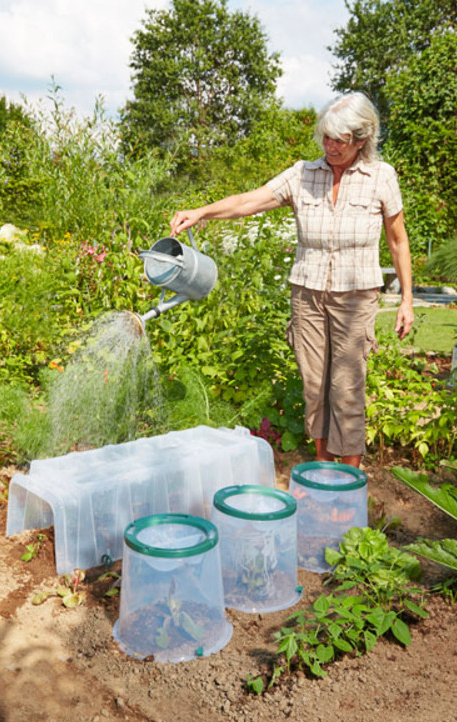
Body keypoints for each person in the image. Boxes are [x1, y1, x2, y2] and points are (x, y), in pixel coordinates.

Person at [169, 91, 414, 469]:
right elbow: (247, 201)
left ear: (362, 139)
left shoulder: (382, 177)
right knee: (315, 386)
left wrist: (407, 299)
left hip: (356, 298)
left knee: (347, 388)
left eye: (340, 140)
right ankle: (322, 468)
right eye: (326, 138)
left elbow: (398, 240)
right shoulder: (303, 174)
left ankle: (347, 479)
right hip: (308, 296)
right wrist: (201, 212)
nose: (330, 146)